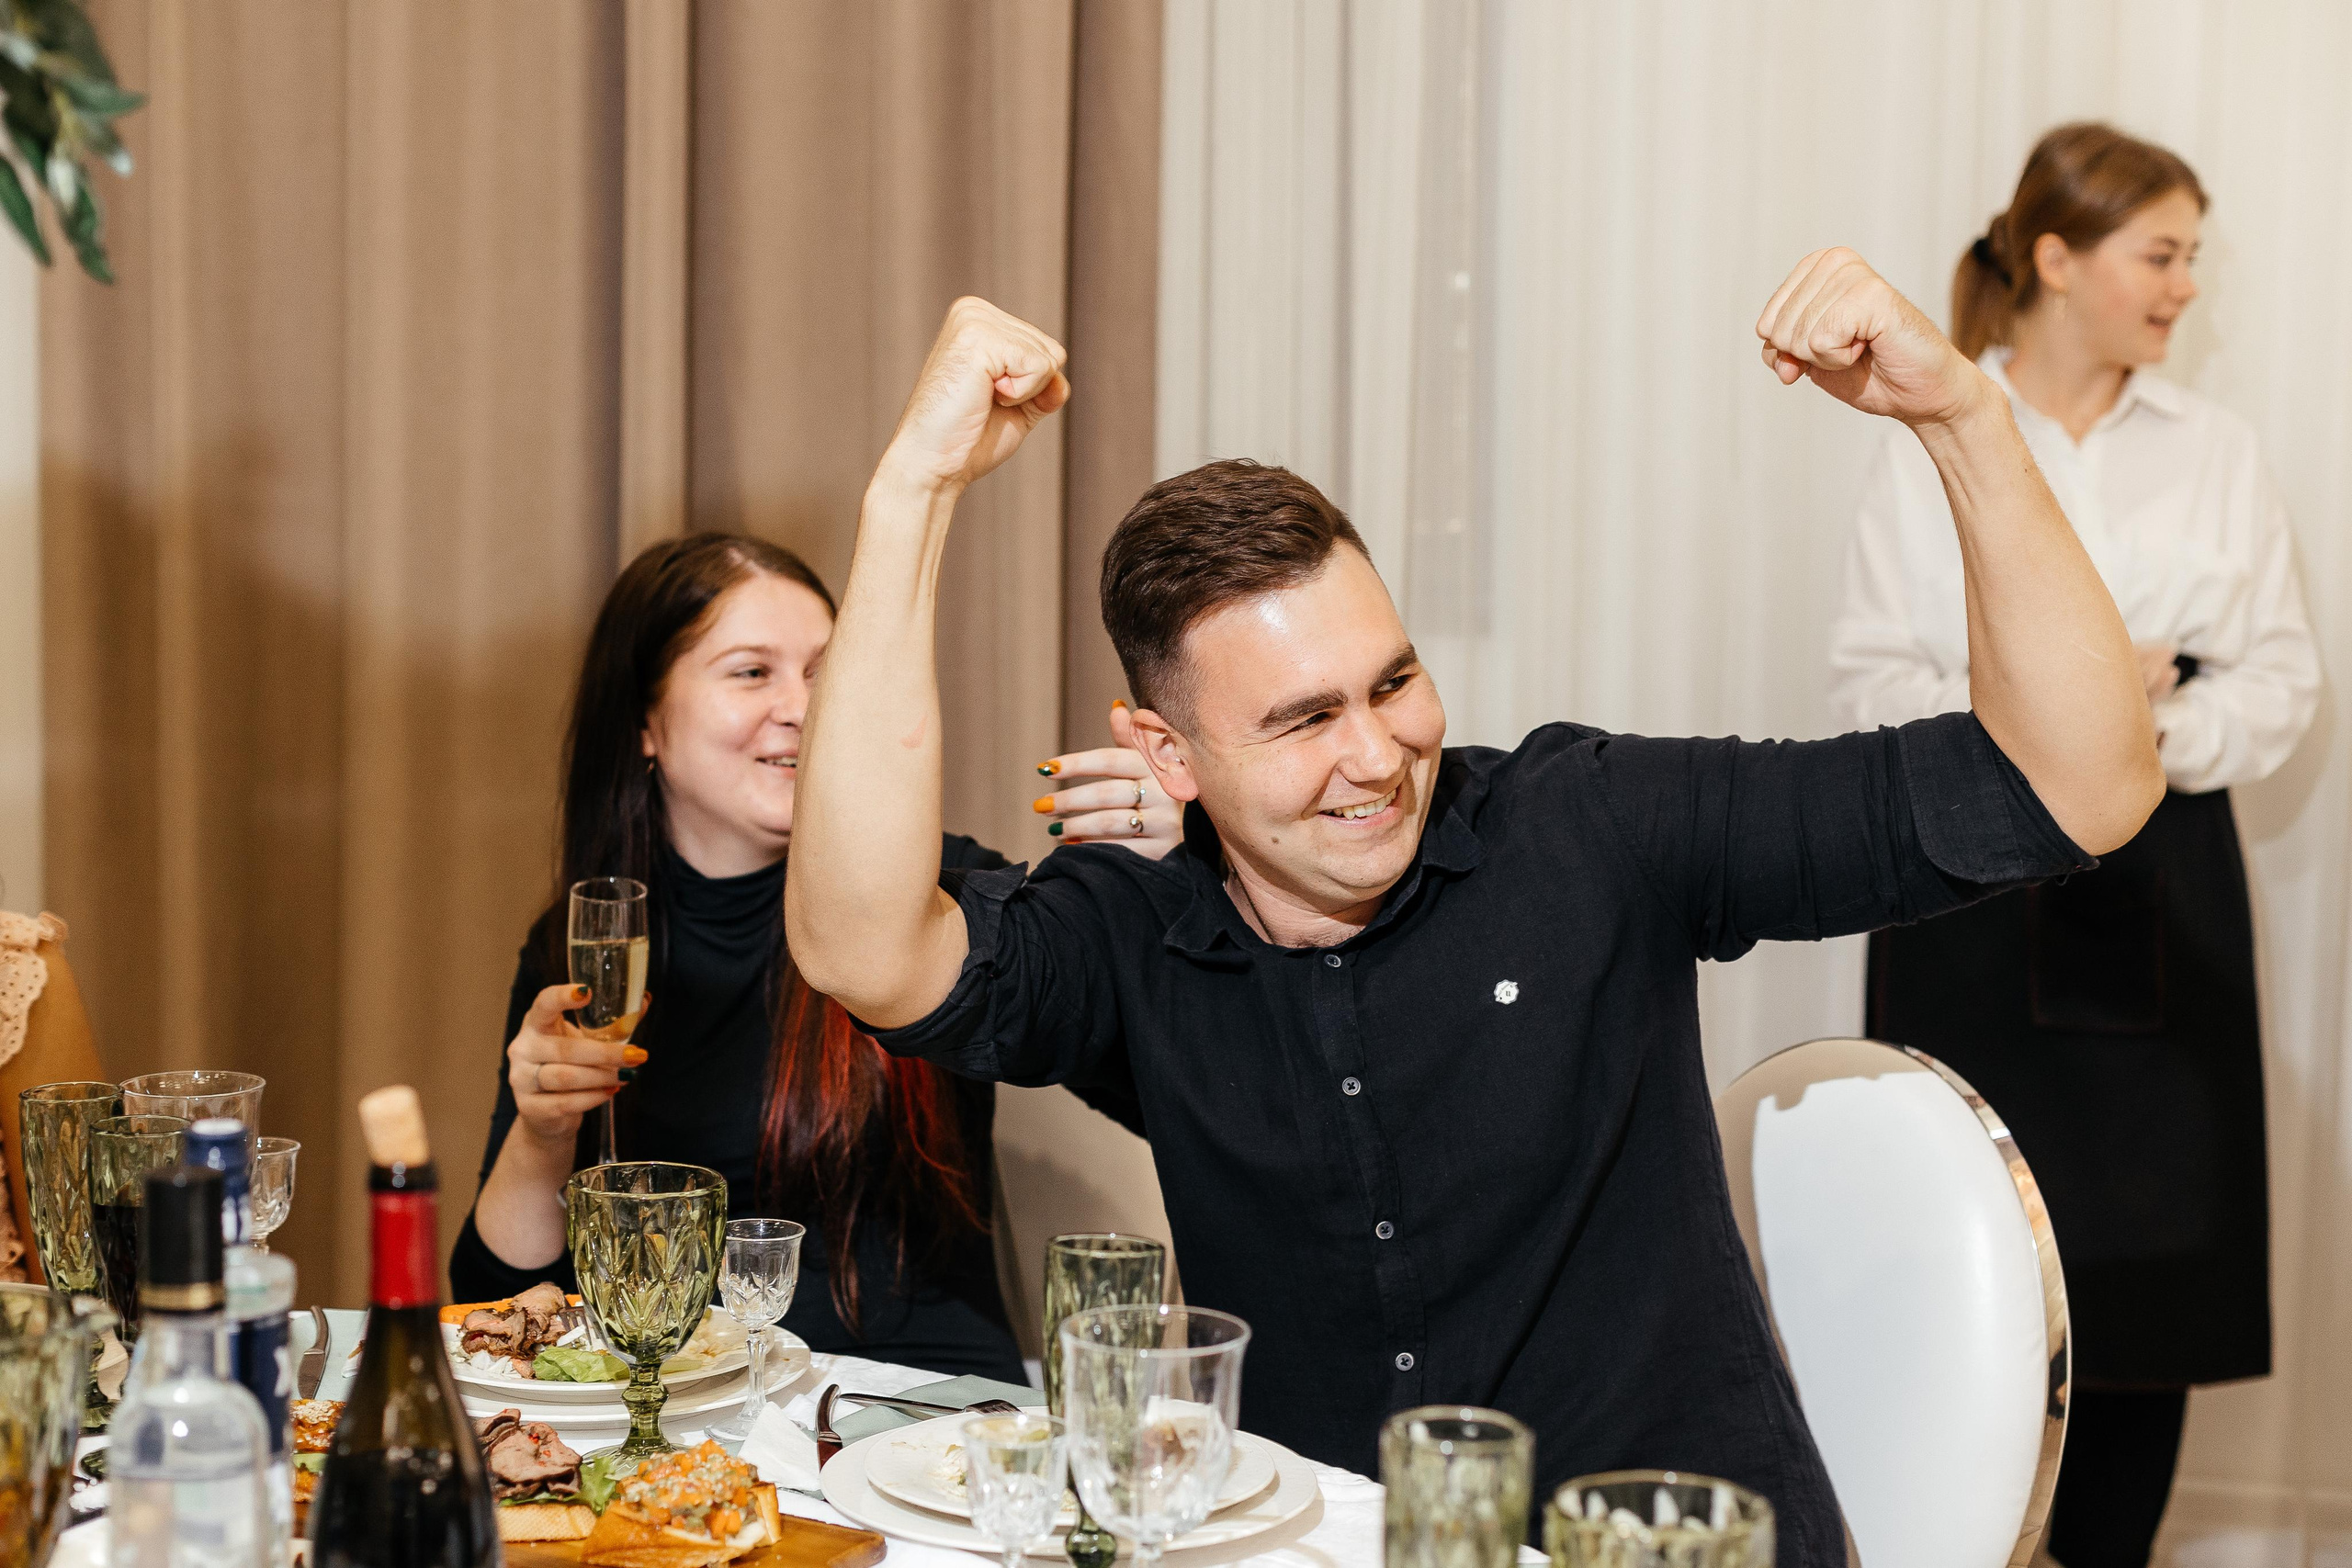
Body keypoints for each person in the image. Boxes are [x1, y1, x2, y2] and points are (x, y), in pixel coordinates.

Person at [784, 254, 2163, 1564]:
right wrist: (912, 491)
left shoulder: (1589, 826)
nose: (1378, 753)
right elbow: (862, 942)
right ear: (1167, 756)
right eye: (1303, 718)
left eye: (1392, 681)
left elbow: (2079, 781)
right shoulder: (1134, 928)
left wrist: (1963, 414)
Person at [1830, 123, 2318, 1568]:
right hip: (1966, 890)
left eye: (2191, 262)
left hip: (2172, 897)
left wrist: (2122, 728)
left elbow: (2281, 686)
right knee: (1957, 1251)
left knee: (2153, 1277)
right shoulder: (1936, 432)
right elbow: (1868, 684)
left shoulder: (2218, 454)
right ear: (2057, 256)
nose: (2182, 288)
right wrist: (2099, 686)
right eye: (2160, 254)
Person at [447, 531, 1180, 1379]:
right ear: (644, 722)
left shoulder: (938, 895)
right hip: (689, 1417)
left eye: (823, 673)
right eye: (752, 671)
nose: (802, 706)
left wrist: (1192, 874)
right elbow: (496, 1299)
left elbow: (1176, 1097)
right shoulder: (593, 946)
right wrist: (543, 1127)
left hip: (918, 1418)